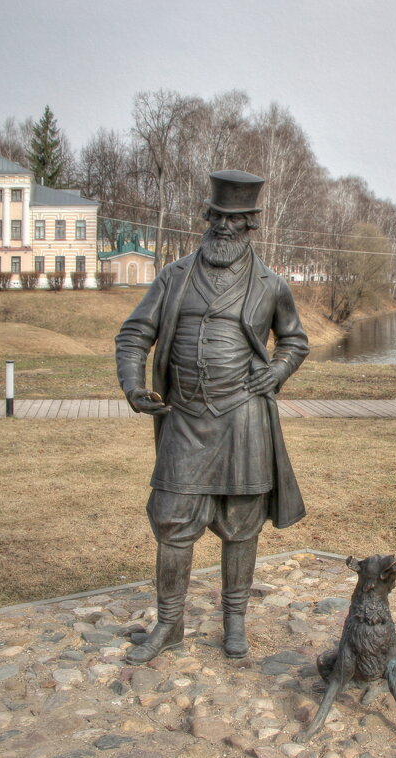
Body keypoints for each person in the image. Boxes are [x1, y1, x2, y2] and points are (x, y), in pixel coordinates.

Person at [115, 170, 308, 665]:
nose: (223, 228)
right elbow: (134, 333)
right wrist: (134, 386)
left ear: (250, 227)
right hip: (184, 415)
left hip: (243, 417)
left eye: (235, 221)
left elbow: (294, 339)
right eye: (216, 218)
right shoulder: (174, 276)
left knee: (242, 525)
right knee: (172, 520)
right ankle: (169, 623)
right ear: (206, 220)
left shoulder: (271, 285)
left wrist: (279, 370)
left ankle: (235, 621)